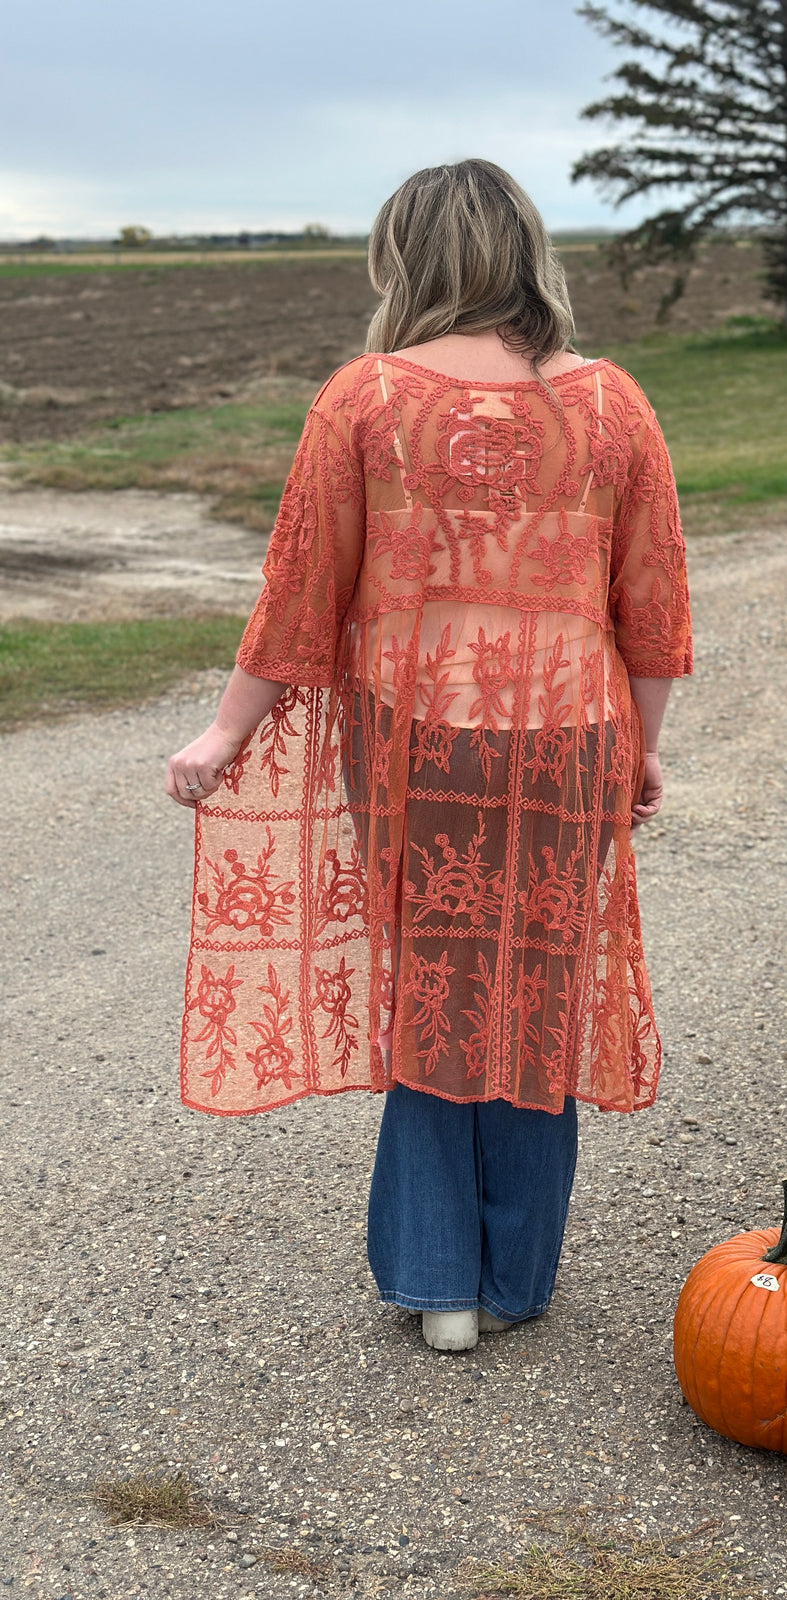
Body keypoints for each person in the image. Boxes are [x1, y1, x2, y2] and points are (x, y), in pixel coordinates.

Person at [165, 159, 692, 1352]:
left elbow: (301, 592)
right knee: (536, 990)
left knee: (438, 982)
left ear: (406, 257)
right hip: (573, 734)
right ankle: (514, 1281)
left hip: (424, 738)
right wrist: (645, 751)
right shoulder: (615, 404)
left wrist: (225, 730)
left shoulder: (363, 398)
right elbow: (650, 602)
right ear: (526, 252)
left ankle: (437, 1277)